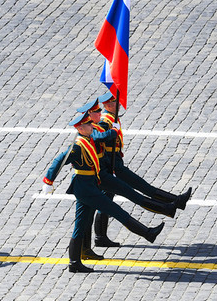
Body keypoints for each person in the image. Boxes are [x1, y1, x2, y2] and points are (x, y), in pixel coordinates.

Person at [49, 109, 164, 272]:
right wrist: (49, 181)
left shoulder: (87, 140)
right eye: (87, 124)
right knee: (116, 211)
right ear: (80, 129)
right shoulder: (77, 146)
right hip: (86, 189)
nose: (91, 125)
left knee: (80, 225)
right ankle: (148, 233)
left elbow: (101, 139)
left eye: (90, 123)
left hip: (88, 186)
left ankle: (74, 263)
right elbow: (59, 160)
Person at [92, 91, 193, 248]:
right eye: (115, 103)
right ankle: (173, 204)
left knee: (107, 200)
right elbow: (100, 136)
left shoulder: (112, 117)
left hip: (114, 160)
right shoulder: (106, 120)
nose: (119, 104)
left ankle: (100, 236)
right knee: (141, 187)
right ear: (108, 105)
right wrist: (111, 131)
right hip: (112, 164)